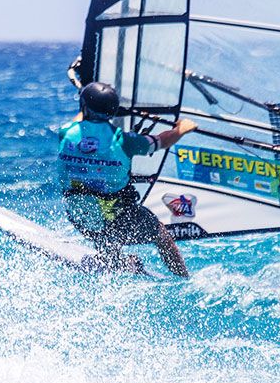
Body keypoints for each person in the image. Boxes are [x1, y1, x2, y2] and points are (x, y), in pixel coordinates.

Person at [58, 81, 197, 277]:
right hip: (115, 219)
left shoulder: (65, 133)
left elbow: (80, 120)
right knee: (160, 234)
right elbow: (163, 141)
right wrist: (181, 129)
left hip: (79, 217)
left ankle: (118, 260)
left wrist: (87, 101)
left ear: (84, 107)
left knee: (100, 213)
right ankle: (183, 277)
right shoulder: (125, 141)